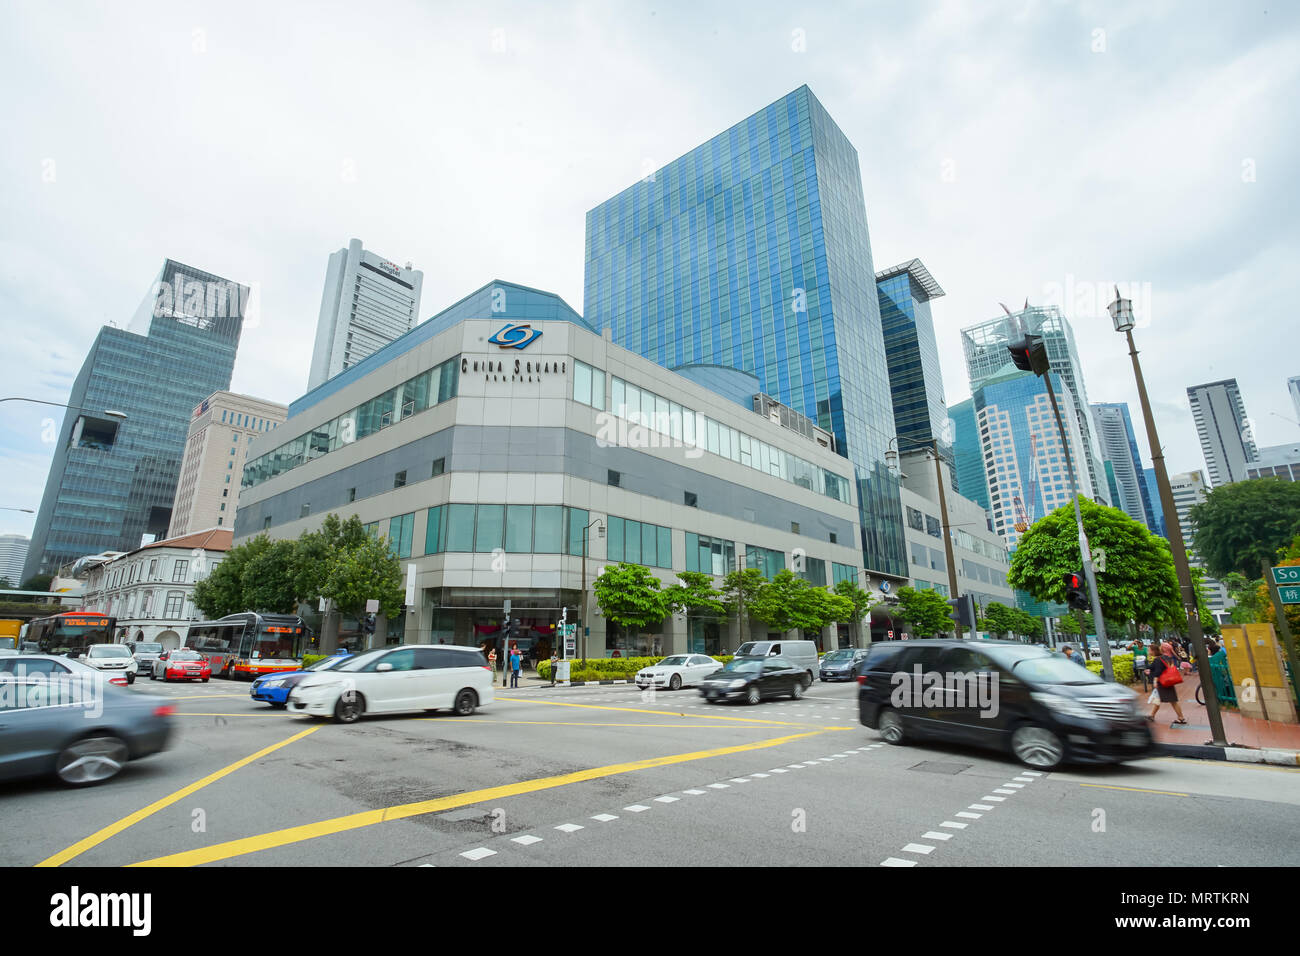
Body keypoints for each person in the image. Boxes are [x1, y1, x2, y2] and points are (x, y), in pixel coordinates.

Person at [1148, 641, 1188, 724]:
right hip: (1168, 681)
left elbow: (1158, 671)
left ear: (1153, 651)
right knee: (1158, 699)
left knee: (1172, 700)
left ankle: (1181, 717)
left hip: (1163, 682)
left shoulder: (1158, 659)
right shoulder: (1165, 658)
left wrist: (1155, 680)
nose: (1148, 651)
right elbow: (1152, 667)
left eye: (1149, 650)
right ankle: (1152, 715)